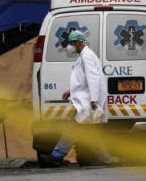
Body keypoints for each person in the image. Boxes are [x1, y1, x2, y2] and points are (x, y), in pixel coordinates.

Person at [41, 30, 118, 167]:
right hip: (86, 99)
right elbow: (83, 79)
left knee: (73, 127)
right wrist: (71, 91)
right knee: (88, 131)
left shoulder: (86, 56)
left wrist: (94, 100)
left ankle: (56, 156)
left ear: (79, 42)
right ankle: (107, 159)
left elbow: (92, 78)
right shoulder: (84, 56)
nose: (70, 46)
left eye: (71, 43)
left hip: (87, 101)